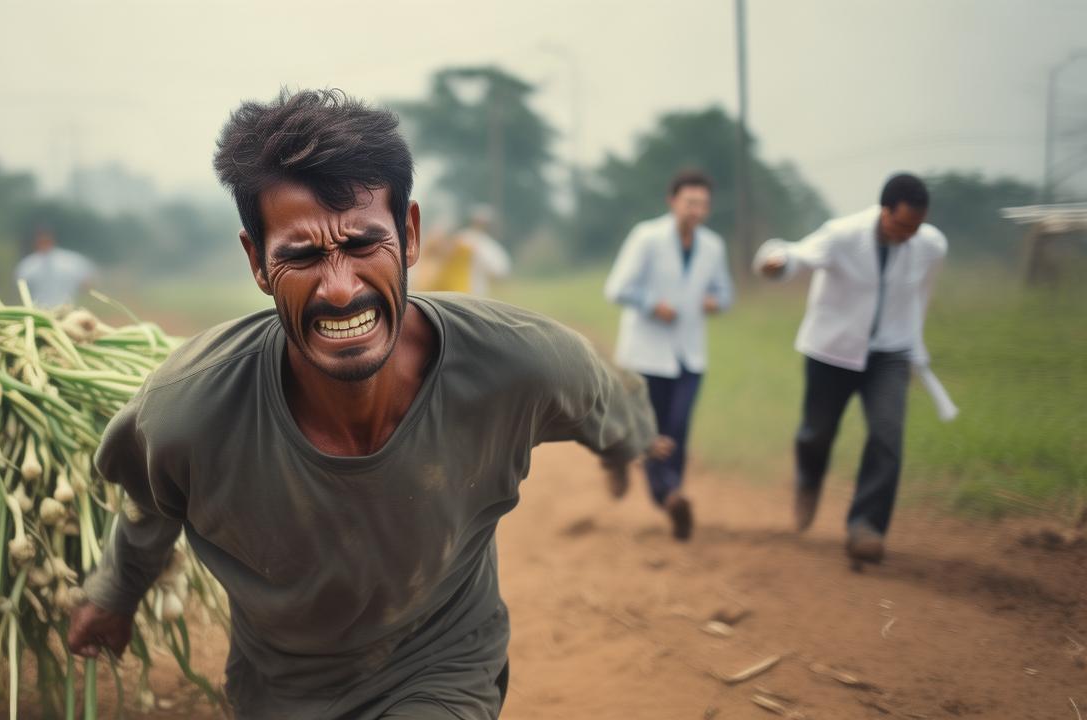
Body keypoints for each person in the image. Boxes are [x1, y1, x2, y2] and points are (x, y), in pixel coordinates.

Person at [67, 89, 654, 719]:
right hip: (279, 691)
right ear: (257, 263)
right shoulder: (187, 412)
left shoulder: (519, 362)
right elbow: (152, 500)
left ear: (409, 234)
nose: (341, 289)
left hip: (442, 664)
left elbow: (609, 402)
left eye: (363, 244)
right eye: (302, 255)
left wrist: (629, 444)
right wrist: (115, 592)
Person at [754, 173, 947, 565]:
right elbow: (796, 255)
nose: (908, 234)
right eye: (901, 224)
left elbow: (921, 295)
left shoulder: (930, 245)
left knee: (887, 435)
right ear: (884, 211)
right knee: (816, 434)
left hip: (890, 352)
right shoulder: (843, 235)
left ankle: (866, 526)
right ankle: (808, 480)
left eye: (916, 226)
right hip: (832, 352)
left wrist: (914, 343)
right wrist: (777, 263)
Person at [602, 170, 732, 541]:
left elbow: (725, 292)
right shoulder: (647, 237)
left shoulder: (712, 246)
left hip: (690, 355)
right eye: (690, 202)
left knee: (678, 427)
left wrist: (715, 301)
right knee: (651, 431)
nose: (696, 210)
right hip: (646, 354)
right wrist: (650, 304)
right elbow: (617, 288)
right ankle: (669, 494)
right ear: (672, 201)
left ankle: (671, 492)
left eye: (703, 204)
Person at [13, 224, 96, 307]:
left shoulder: (71, 261)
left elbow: (88, 283)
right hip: (39, 313)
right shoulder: (27, 266)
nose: (43, 240)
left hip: (67, 312)